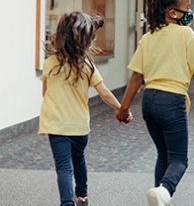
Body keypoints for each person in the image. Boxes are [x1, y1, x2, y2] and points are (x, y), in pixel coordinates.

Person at [115, 0, 194, 206]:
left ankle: (160, 198)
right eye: (187, 7)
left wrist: (124, 108)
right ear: (173, 13)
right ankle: (165, 191)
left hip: (149, 101)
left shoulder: (148, 37)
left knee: (163, 154)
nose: (190, 12)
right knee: (179, 159)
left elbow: (136, 77)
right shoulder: (186, 33)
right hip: (172, 100)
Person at [39, 12, 132, 206]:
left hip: (56, 125)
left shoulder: (50, 64)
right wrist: (121, 109)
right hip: (79, 125)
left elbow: (45, 92)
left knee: (64, 167)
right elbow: (104, 92)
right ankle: (82, 195)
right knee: (78, 159)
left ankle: (67, 203)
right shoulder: (87, 65)